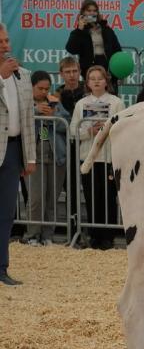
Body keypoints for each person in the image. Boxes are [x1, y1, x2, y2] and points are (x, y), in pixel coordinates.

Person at [70, 65, 124, 250]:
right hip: (88, 157)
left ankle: (108, 236)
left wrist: (107, 129)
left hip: (109, 157)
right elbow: (73, 131)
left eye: (100, 78)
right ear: (87, 82)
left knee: (108, 197)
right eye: (92, 78)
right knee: (91, 197)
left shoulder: (116, 102)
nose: (96, 82)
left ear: (106, 81)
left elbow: (123, 127)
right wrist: (89, 131)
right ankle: (94, 235)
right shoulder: (81, 104)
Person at [0, 23, 36, 285]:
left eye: (6, 41)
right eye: (0, 42)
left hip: (13, 152)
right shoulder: (5, 74)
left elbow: (29, 119)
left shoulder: (23, 75)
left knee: (6, 213)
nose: (5, 46)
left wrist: (30, 156)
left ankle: (1, 268)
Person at [22, 71, 71, 246]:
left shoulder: (55, 102)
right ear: (31, 87)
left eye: (47, 88)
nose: (44, 92)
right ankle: (32, 235)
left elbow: (67, 125)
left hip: (56, 155)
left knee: (52, 198)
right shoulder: (25, 103)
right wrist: (35, 112)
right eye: (40, 88)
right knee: (36, 198)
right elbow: (18, 121)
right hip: (33, 156)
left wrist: (53, 116)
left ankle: (48, 235)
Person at [53, 56, 84, 237]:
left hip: (86, 146)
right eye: (67, 72)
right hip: (64, 148)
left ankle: (90, 228)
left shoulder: (88, 92)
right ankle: (72, 229)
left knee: (90, 188)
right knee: (69, 188)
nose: (71, 75)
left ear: (79, 72)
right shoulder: (55, 96)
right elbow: (47, 126)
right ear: (61, 74)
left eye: (74, 71)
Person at [65, 0, 122, 90]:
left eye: (95, 11)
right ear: (83, 12)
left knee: (111, 97)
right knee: (91, 97)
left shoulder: (107, 30)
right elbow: (71, 49)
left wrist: (118, 71)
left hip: (108, 72)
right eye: (89, 10)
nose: (92, 13)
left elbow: (118, 50)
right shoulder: (80, 32)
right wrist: (79, 29)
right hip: (90, 72)